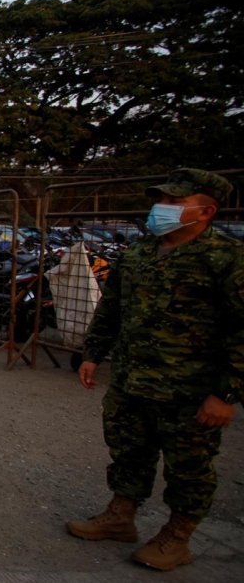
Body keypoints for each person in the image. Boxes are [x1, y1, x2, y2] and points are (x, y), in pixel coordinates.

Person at [68, 168, 243, 572]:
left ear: (205, 211)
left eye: (174, 202)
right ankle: (120, 516)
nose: (160, 208)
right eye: (161, 200)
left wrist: (228, 393)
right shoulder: (141, 252)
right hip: (133, 379)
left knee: (190, 465)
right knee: (129, 449)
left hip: (191, 388)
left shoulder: (228, 259)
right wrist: (93, 352)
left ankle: (177, 537)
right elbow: (112, 308)